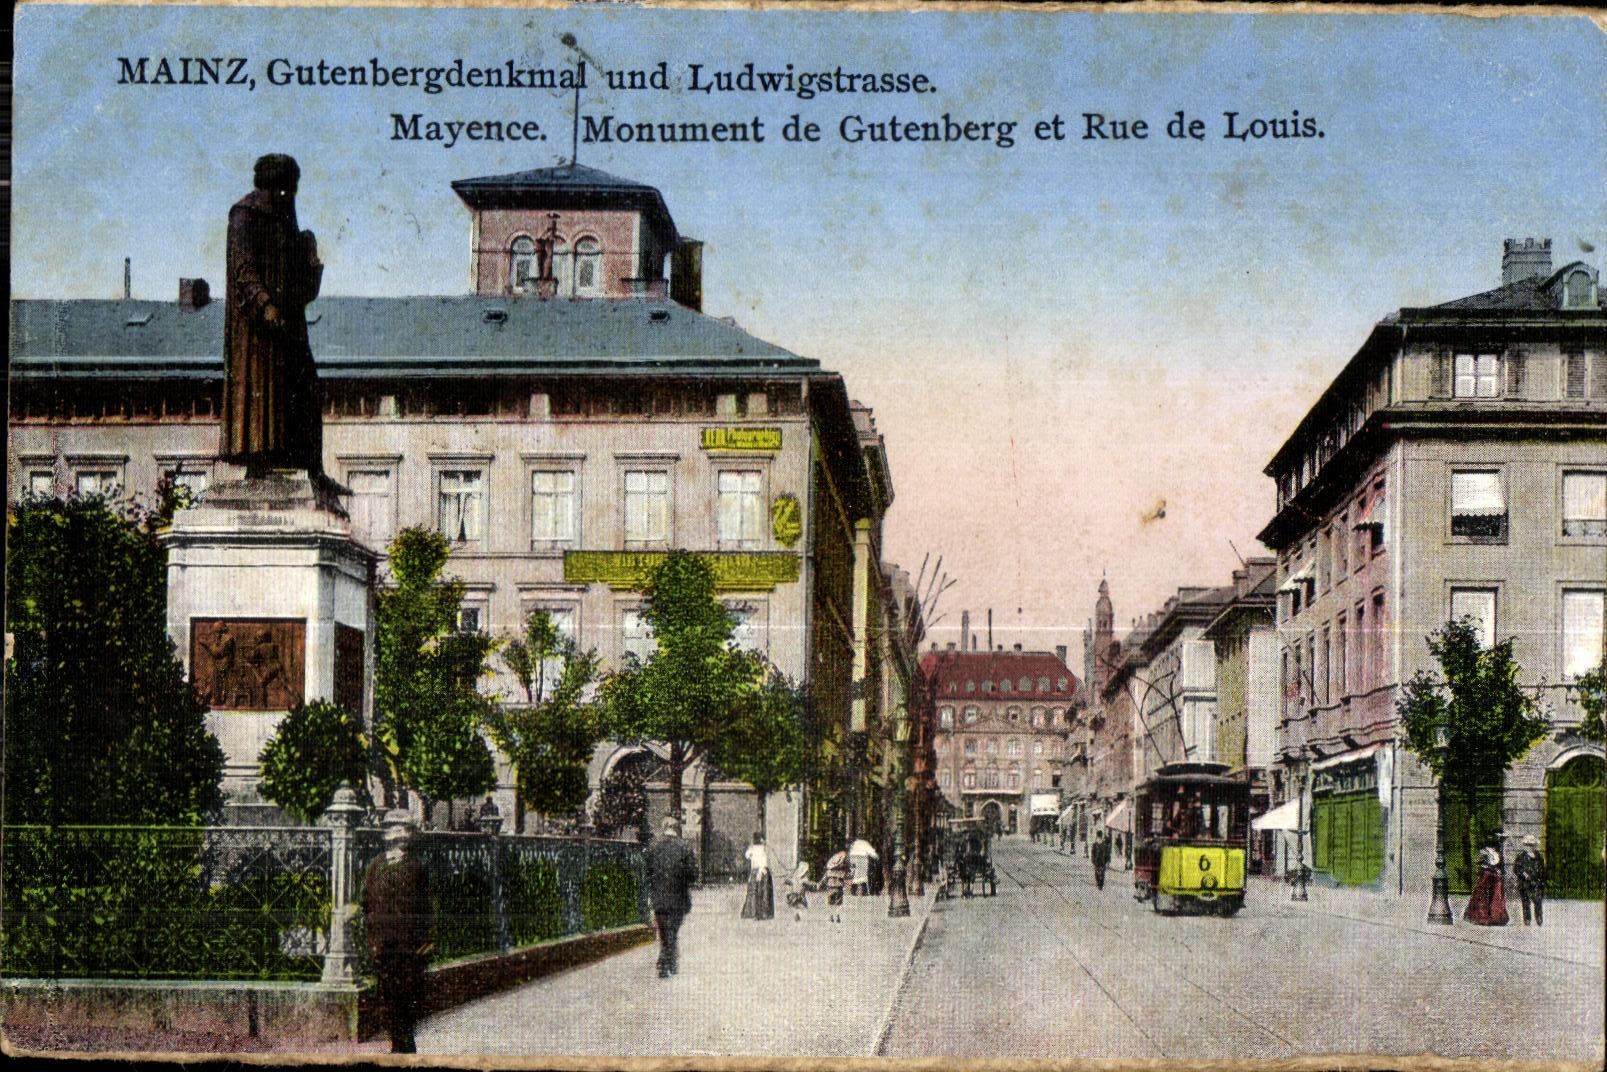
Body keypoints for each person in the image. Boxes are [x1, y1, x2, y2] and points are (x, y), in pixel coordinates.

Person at [223, 153, 325, 478]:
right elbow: (244, 270)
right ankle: (259, 464)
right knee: (264, 394)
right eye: (287, 189)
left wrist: (310, 258)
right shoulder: (245, 214)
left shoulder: (286, 222)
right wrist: (266, 305)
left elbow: (305, 291)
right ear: (273, 184)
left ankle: (312, 469)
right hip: (258, 330)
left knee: (307, 390)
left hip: (289, 324)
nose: (290, 196)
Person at [362, 811, 434, 1054]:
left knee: (408, 999)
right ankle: (397, 1044)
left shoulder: (416, 867)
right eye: (396, 831)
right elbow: (367, 906)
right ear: (388, 836)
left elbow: (426, 908)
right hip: (383, 946)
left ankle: (406, 1047)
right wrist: (372, 942)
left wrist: (425, 943)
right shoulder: (375, 867)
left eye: (405, 831)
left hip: (409, 948)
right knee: (387, 998)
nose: (401, 836)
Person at [647, 816, 698, 978]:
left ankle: (667, 961)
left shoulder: (653, 847)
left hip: (659, 897)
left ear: (664, 827)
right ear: (677, 828)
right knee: (673, 930)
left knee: (663, 930)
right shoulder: (685, 847)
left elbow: (647, 873)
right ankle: (667, 961)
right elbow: (693, 875)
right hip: (678, 898)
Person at [1464, 838, 1510, 926]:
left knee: (1495, 896)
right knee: (1483, 896)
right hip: (1486, 876)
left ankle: (1495, 917)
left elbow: (1500, 865)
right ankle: (1482, 917)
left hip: (1495, 877)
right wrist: (1485, 867)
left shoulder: (1497, 853)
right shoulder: (1484, 852)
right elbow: (1479, 863)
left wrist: (1499, 871)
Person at [740, 831, 774, 921]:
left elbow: (748, 855)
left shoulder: (755, 849)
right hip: (761, 871)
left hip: (758, 871)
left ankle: (756, 912)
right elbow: (763, 860)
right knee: (761, 892)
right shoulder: (761, 849)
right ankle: (763, 913)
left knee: (756, 892)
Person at [1513, 835, 1546, 927]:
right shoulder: (1521, 856)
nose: (1531, 846)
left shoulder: (1539, 856)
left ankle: (1539, 917)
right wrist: (1524, 874)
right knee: (1526, 902)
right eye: (1528, 844)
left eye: (1532, 844)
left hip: (1537, 882)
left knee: (1538, 900)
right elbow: (1516, 868)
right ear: (1525, 845)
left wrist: (1541, 880)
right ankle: (1527, 919)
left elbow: (1542, 870)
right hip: (1525, 883)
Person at [823, 843, 850, 922]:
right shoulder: (844, 857)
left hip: (831, 884)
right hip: (839, 884)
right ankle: (838, 915)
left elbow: (828, 870)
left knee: (830, 902)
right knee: (839, 902)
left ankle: (830, 916)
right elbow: (847, 870)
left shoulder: (832, 859)